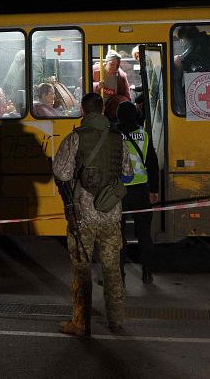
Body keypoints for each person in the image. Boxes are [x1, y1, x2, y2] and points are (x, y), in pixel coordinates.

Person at [52, 92, 133, 336]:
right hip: (111, 212)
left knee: (82, 269)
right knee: (112, 269)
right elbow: (127, 173)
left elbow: (62, 173)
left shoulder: (75, 137)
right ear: (103, 110)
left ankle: (80, 322)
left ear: (83, 111)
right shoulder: (118, 138)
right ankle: (116, 320)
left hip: (84, 215)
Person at [115, 101, 160, 284]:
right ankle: (147, 272)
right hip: (141, 190)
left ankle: (120, 275)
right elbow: (153, 164)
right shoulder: (144, 136)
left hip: (119, 192)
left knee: (119, 234)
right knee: (144, 234)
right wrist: (154, 190)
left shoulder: (113, 135)